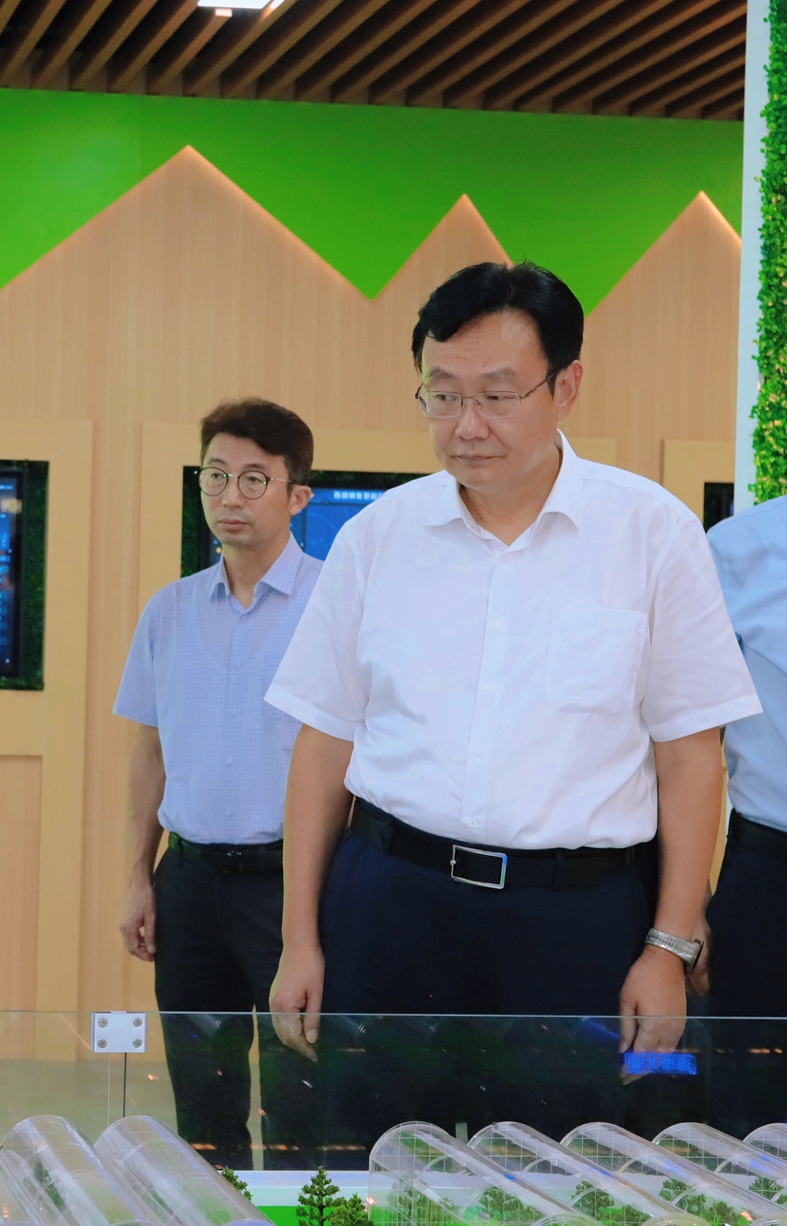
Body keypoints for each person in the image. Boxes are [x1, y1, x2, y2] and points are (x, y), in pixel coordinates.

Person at [265, 262, 757, 1159]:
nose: (467, 425)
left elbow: (692, 755)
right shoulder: (378, 538)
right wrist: (301, 937)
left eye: (497, 395)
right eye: (442, 394)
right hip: (391, 904)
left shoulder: (651, 534)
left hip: (574, 922)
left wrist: (667, 948)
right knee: (370, 1167)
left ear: (566, 386)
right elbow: (323, 741)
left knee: (566, 1180)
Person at [113, 397, 321, 1170]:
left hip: (295, 884)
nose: (230, 496)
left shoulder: (335, 605)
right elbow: (151, 751)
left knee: (303, 1094)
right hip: (192, 882)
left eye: (255, 479)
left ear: (298, 495)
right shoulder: (168, 611)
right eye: (215, 475)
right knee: (203, 1100)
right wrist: (139, 875)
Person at [705, 496, 787, 1133]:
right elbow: (682, 742)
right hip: (771, 883)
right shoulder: (738, 549)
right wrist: (679, 913)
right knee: (750, 1122)